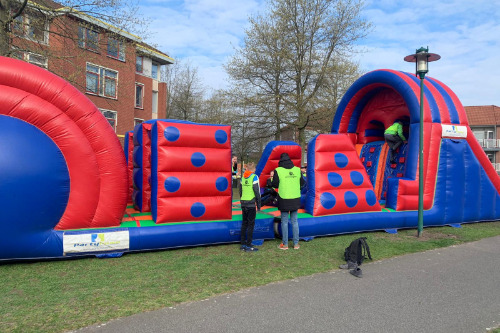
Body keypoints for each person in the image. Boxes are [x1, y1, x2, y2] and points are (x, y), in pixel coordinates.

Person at [271, 153, 306, 250]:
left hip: (284, 198)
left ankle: (285, 244)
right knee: (295, 221)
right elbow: (302, 183)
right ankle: (296, 244)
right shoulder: (297, 170)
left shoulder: (278, 170)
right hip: (295, 198)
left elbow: (275, 184)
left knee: (284, 221)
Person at [239, 162, 261, 252]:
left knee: (244, 223)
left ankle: (243, 244)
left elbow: (240, 191)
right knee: (251, 224)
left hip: (243, 203)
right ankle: (248, 245)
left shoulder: (242, 177)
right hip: (251, 204)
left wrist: (242, 200)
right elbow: (257, 191)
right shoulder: (254, 177)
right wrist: (259, 205)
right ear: (253, 169)